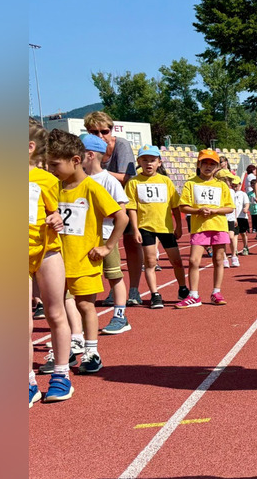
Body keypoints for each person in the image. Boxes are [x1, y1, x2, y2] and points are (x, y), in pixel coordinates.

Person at [45, 130, 128, 375]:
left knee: (85, 306)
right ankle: (66, 350)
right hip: (55, 260)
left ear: (76, 160)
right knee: (56, 308)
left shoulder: (91, 188)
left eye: (55, 164)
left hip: (83, 259)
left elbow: (121, 218)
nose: (51, 169)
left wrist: (107, 246)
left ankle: (92, 352)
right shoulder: (54, 187)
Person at [29, 118, 72, 405]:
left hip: (47, 253)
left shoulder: (46, 181)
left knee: (55, 313)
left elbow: (56, 213)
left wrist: (56, 218)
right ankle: (27, 381)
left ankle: (61, 374)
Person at [84, 111, 143, 307]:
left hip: (122, 202)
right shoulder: (86, 147)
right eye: (94, 132)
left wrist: (100, 173)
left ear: (112, 130)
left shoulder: (122, 145)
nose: (100, 136)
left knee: (131, 243)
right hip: (96, 207)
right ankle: (111, 291)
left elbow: (127, 177)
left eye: (104, 131)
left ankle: (133, 289)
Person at [79, 135, 133, 335]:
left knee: (114, 276)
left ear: (90, 155)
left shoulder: (109, 181)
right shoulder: (75, 180)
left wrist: (110, 244)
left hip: (104, 236)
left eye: (78, 153)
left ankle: (120, 316)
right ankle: (80, 325)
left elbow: (122, 212)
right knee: (82, 279)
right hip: (81, 239)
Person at [124, 146, 188, 308]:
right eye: (144, 160)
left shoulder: (165, 181)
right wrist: (135, 229)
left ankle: (182, 288)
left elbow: (175, 206)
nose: (148, 163)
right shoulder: (133, 183)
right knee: (150, 262)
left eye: (152, 160)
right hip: (145, 227)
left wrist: (178, 226)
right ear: (139, 162)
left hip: (165, 228)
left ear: (159, 162)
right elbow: (131, 208)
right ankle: (155, 294)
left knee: (177, 261)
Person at [177, 150, 235, 308]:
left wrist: (215, 211)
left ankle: (216, 292)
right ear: (199, 164)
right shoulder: (191, 183)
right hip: (200, 227)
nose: (208, 167)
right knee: (193, 260)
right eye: (205, 163)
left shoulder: (221, 185)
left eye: (212, 164)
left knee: (218, 259)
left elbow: (229, 208)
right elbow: (183, 206)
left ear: (216, 167)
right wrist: (198, 211)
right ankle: (194, 295)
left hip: (218, 226)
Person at [229, 176, 250, 265]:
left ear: (240, 185)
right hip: (234, 217)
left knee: (243, 233)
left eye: (236, 185)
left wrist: (246, 208)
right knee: (235, 234)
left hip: (242, 216)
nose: (235, 187)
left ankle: (245, 246)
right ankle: (235, 249)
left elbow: (247, 202)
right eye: (233, 185)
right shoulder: (231, 193)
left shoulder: (243, 194)